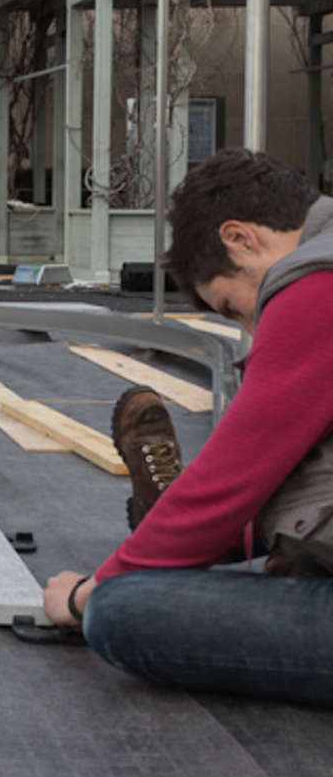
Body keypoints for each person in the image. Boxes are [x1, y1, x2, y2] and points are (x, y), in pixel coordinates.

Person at [42, 148, 333, 705]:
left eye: (232, 307)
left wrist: (87, 594)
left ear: (241, 238)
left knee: (125, 610)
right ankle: (183, 524)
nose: (251, 328)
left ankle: (168, 521)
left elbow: (232, 479)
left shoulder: (313, 288)